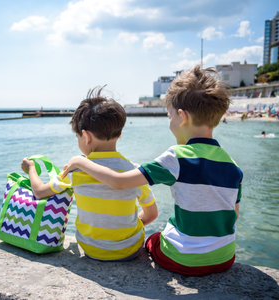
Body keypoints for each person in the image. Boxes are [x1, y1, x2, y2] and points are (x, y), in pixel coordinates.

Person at [62, 66, 243, 276]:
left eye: (170, 116)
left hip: (183, 260)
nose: (170, 122)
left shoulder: (176, 157)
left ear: (182, 116)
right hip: (225, 259)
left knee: (154, 240)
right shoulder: (233, 165)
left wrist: (80, 162)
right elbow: (233, 215)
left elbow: (119, 182)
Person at [21, 86, 158, 261]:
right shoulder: (134, 172)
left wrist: (31, 168)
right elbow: (151, 215)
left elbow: (39, 191)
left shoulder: (75, 170)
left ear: (86, 136)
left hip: (92, 250)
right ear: (119, 134)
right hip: (129, 250)